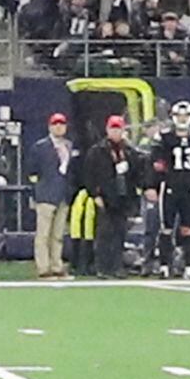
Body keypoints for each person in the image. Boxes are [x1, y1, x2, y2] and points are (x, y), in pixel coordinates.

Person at [71, 115, 142, 279]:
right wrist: (95, 194)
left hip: (123, 197)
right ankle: (102, 267)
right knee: (104, 233)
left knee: (119, 233)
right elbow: (89, 175)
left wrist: (134, 194)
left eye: (118, 129)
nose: (115, 132)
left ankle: (117, 266)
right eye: (113, 129)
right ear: (107, 130)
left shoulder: (129, 151)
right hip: (105, 197)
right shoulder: (97, 151)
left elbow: (136, 174)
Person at [147, 102, 190, 278]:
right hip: (169, 187)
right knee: (166, 228)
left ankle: (188, 266)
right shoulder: (164, 137)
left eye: (185, 116)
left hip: (189, 188)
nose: (182, 119)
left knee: (187, 229)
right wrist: (151, 185)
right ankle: (164, 266)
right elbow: (154, 164)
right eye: (179, 116)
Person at [27, 112, 77, 279]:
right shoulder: (40, 147)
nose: (59, 127)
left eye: (62, 124)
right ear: (49, 127)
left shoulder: (69, 145)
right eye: (55, 124)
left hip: (62, 194)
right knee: (43, 234)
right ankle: (43, 268)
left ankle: (57, 266)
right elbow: (32, 171)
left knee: (58, 234)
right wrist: (37, 191)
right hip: (45, 195)